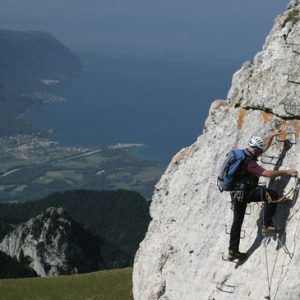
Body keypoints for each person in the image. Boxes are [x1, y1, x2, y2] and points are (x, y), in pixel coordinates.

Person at [228, 129, 298, 261]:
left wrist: (271, 136)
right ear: (255, 150)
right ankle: (267, 225)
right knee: (271, 195)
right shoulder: (250, 163)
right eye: (259, 152)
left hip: (236, 195)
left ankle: (233, 251)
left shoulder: (244, 153)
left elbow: (263, 148)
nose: (261, 154)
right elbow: (267, 174)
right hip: (247, 193)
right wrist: (286, 171)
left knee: (237, 222)